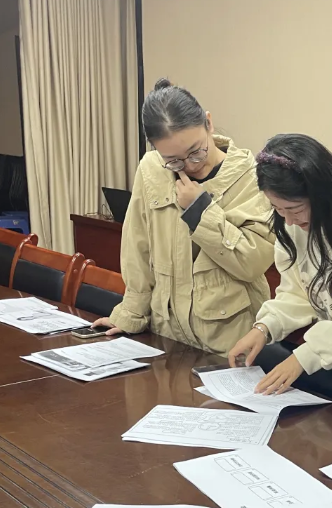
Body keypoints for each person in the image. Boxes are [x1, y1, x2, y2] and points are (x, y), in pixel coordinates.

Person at [93, 78, 275, 354]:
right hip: (166, 333)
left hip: (229, 339)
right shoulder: (151, 168)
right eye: (174, 160)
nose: (190, 165)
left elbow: (252, 262)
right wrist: (130, 314)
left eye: (196, 151)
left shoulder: (250, 175)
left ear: (208, 123)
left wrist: (200, 211)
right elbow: (137, 247)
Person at [227, 134, 332, 400]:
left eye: (295, 209)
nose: (289, 221)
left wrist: (303, 357)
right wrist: (263, 327)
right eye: (277, 209)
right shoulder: (292, 227)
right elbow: (296, 294)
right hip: (330, 362)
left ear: (323, 194)